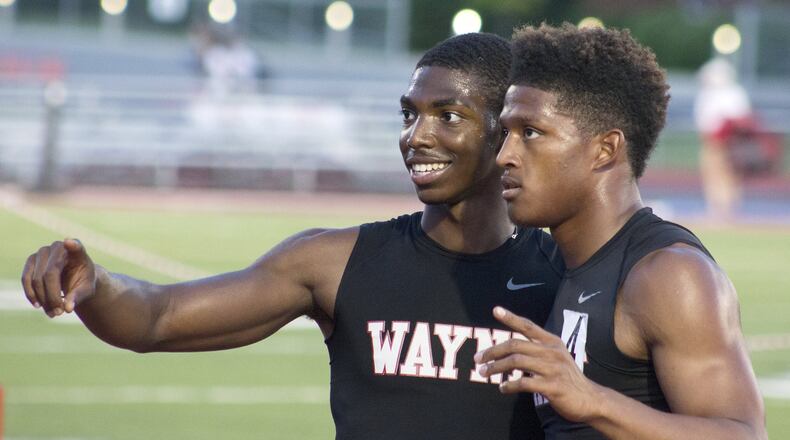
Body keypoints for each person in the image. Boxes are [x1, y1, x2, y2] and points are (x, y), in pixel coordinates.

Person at [21, 33, 563, 439]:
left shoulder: (568, 275)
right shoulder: (335, 261)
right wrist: (95, 284)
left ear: (506, 129)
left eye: (449, 116)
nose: (416, 137)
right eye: (409, 114)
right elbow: (157, 318)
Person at [475, 24, 766, 439]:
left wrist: (593, 400)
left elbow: (744, 435)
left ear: (606, 149)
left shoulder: (668, 275)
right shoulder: (553, 261)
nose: (505, 155)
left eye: (531, 133)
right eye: (506, 133)